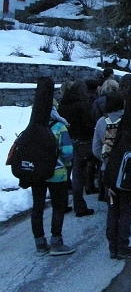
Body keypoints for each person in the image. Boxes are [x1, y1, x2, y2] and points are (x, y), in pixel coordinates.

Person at [29, 77, 76, 256]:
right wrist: (68, 164)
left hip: (37, 173)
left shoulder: (32, 127)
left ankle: (40, 243)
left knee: (37, 207)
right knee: (58, 207)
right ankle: (56, 242)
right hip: (57, 173)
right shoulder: (59, 127)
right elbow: (67, 152)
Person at [92, 92, 131, 259]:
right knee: (125, 208)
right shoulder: (129, 122)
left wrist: (105, 161)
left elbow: (95, 149)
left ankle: (112, 246)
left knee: (112, 208)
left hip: (108, 171)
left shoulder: (101, 123)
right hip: (126, 171)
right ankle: (123, 245)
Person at [58, 80, 96, 217]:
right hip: (84, 142)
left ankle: (62, 204)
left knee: (67, 173)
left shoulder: (62, 105)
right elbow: (89, 124)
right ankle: (80, 206)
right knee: (79, 174)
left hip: (67, 141)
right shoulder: (83, 105)